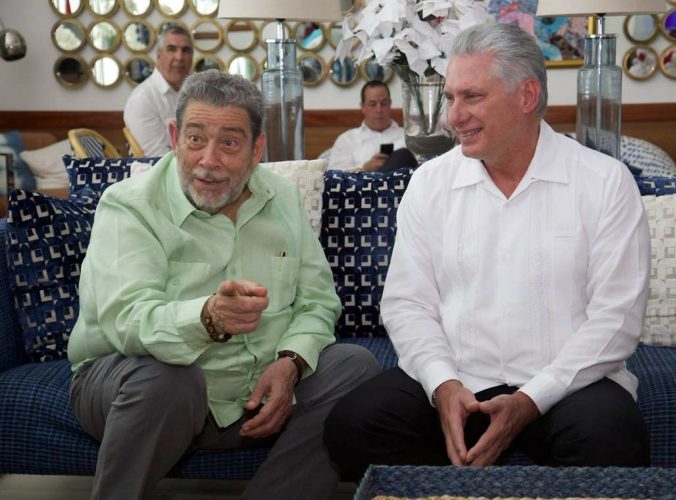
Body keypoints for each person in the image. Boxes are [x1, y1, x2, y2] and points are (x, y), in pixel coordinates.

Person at [324, 23, 651, 480]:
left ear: (527, 95)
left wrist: (530, 400)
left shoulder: (603, 182)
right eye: (450, 97)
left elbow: (616, 318)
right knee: (352, 427)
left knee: (612, 436)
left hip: (566, 385)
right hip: (460, 377)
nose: (451, 117)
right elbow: (407, 303)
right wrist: (442, 385)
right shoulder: (430, 183)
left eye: (471, 97)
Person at [68, 70, 380, 499]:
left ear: (256, 150)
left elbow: (318, 301)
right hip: (133, 389)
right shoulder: (129, 205)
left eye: (229, 143)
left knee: (354, 365)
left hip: (251, 394)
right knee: (170, 379)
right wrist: (207, 318)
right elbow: (128, 321)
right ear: (175, 136)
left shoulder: (283, 199)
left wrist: (290, 362)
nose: (208, 160)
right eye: (195, 139)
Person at [123, 25, 193, 157]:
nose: (179, 57)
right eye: (172, 49)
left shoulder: (194, 93)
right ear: (159, 55)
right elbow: (157, 159)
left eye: (186, 50)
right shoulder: (142, 99)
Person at [327, 80, 416, 172]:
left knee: (402, 154)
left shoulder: (410, 137)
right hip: (363, 184)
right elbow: (333, 176)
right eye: (372, 104)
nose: (379, 110)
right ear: (363, 107)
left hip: (404, 184)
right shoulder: (347, 140)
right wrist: (363, 168)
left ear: (390, 104)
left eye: (383, 103)